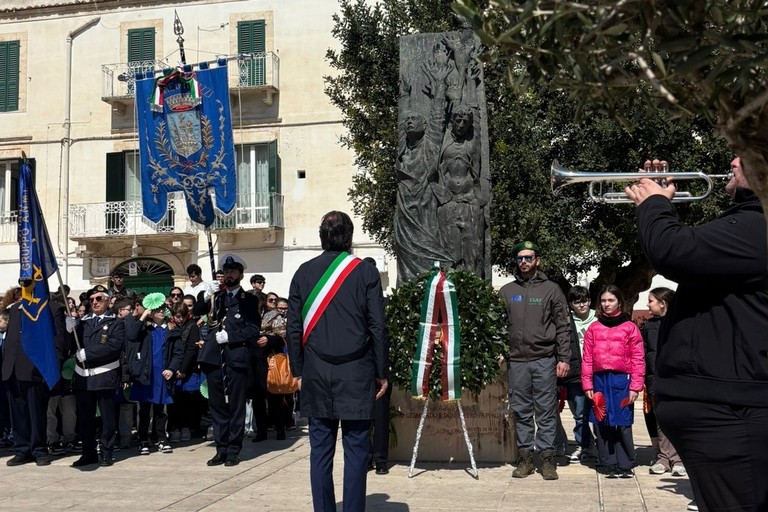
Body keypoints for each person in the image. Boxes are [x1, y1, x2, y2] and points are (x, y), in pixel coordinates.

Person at [625, 156, 768, 511]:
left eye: (743, 152)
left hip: (735, 417)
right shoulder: (749, 224)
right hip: (727, 413)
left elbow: (673, 252)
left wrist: (654, 205)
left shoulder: (758, 226)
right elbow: (697, 257)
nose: (734, 160)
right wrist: (663, 206)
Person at [287, 211, 389, 512]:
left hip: (316, 371)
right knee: (357, 451)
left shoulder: (302, 272)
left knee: (319, 451)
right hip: (356, 371)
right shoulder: (365, 272)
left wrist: (299, 370)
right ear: (350, 237)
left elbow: (293, 327)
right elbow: (378, 326)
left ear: (322, 236)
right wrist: (381, 372)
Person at [498, 240, 571, 480]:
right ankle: (526, 459)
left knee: (546, 410)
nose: (524, 262)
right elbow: (497, 326)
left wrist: (564, 358)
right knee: (521, 411)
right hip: (517, 361)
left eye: (529, 257)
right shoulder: (507, 291)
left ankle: (547, 460)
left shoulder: (551, 289)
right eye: (520, 258)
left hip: (544, 360)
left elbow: (563, 327)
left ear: (537, 260)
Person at [194, 254, 261, 467]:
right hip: (214, 358)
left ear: (241, 274)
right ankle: (220, 448)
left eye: (233, 271)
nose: (229, 275)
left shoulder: (249, 300)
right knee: (216, 406)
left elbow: (252, 329)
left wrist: (231, 337)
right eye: (226, 272)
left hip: (236, 357)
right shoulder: (216, 297)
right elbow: (195, 312)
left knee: (235, 406)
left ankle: (233, 449)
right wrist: (205, 296)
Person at [581, 285, 645, 479]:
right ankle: (608, 462)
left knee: (623, 422)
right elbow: (587, 359)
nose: (606, 304)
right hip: (600, 381)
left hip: (621, 381)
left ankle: (625, 463)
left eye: (611, 300)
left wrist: (635, 385)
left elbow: (638, 358)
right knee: (602, 421)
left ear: (619, 302)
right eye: (603, 300)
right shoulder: (594, 327)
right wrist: (588, 384)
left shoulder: (630, 328)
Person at [2, 288, 70, 466]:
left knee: (37, 413)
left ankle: (39, 449)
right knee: (18, 413)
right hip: (13, 369)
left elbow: (58, 342)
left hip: (36, 370)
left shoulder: (51, 309)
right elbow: (11, 338)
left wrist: (54, 369)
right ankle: (22, 449)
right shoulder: (16, 309)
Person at [67, 285, 126, 467]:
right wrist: (69, 330)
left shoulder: (116, 323)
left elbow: (113, 347)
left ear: (107, 301)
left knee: (107, 419)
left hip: (104, 375)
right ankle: (88, 453)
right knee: (85, 419)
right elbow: (71, 345)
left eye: (98, 299)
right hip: (83, 377)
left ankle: (107, 452)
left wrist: (89, 354)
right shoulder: (82, 323)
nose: (94, 303)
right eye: (92, 300)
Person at [129, 304, 183, 456]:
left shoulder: (172, 330)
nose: (160, 311)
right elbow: (132, 335)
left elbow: (178, 353)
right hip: (146, 374)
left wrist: (172, 369)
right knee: (144, 409)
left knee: (160, 409)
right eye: (156, 310)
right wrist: (143, 317)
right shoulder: (145, 329)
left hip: (162, 374)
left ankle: (161, 438)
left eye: (162, 309)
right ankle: (143, 439)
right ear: (150, 314)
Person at [642, 287, 685, 477]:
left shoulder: (681, 323)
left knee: (677, 418)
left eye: (650, 300)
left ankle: (679, 459)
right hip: (654, 378)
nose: (647, 304)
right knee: (660, 419)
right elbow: (642, 353)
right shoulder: (648, 326)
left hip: (677, 379)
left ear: (663, 303)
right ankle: (664, 458)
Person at [555, 285, 596, 463]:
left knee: (599, 412)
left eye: (584, 300)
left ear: (590, 301)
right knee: (579, 414)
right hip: (575, 374)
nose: (581, 305)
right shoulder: (566, 321)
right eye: (576, 301)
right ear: (571, 304)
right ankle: (584, 445)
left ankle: (598, 445)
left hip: (596, 372)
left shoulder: (598, 319)